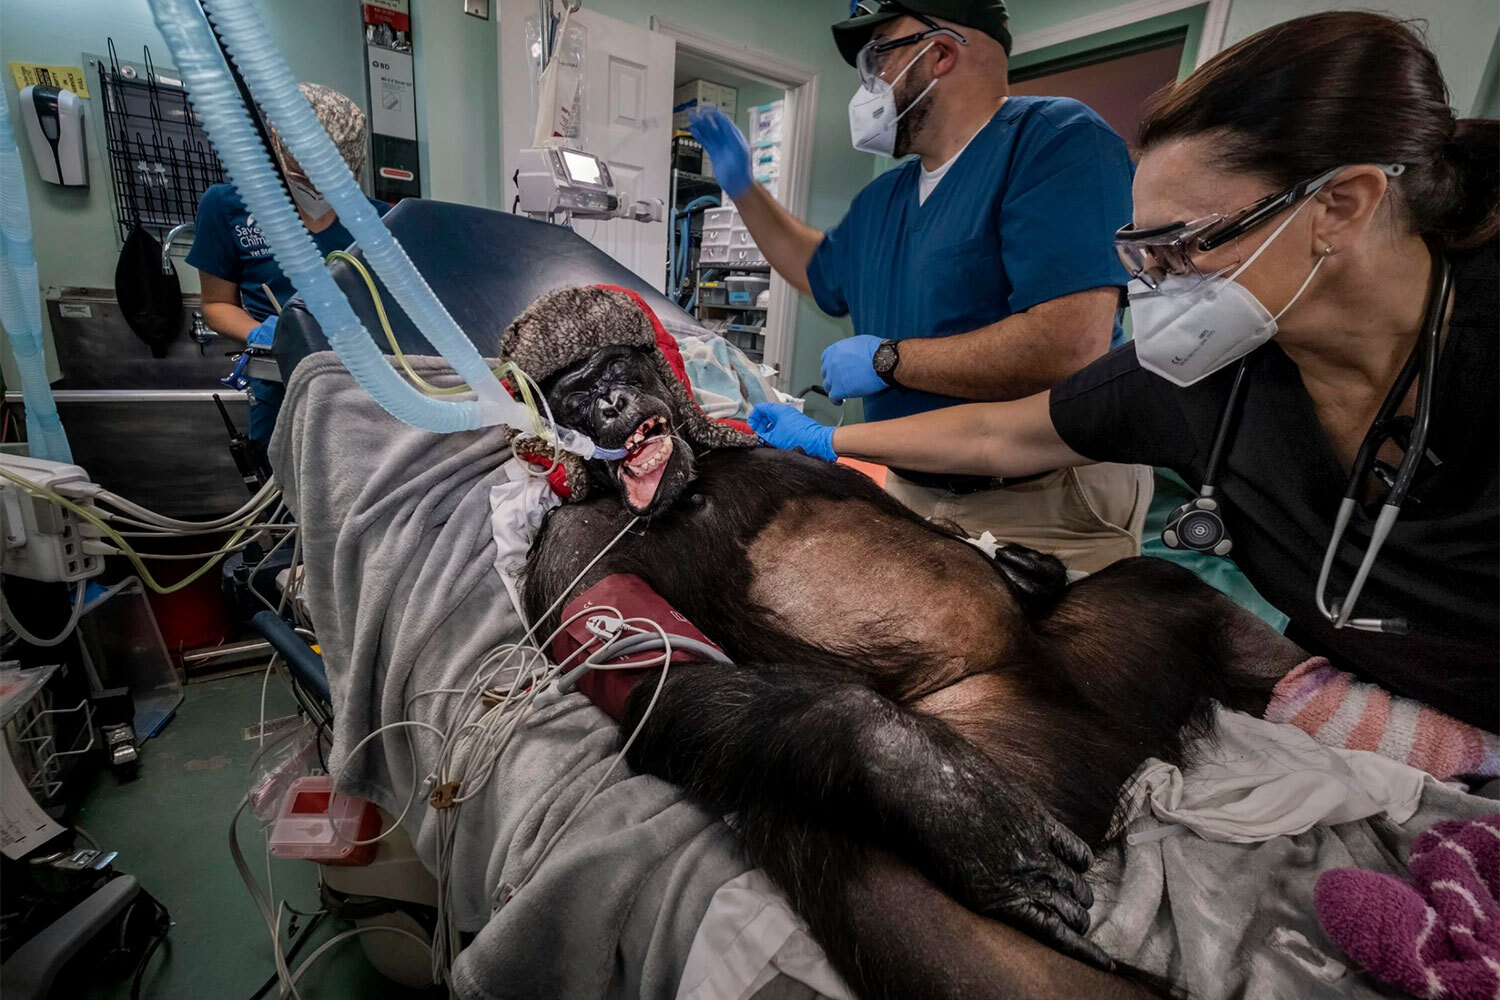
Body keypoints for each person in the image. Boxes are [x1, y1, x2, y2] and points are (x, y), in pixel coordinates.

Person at [751, 11, 1500, 731]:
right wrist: (829, 441)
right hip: (1357, 709)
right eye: (1142, 253)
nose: (1158, 286)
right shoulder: (1206, 376)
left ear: (1340, 205)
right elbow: (998, 433)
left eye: (1185, 244)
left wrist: (889, 362)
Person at [689, 0, 1148, 574]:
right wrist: (744, 189)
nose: (869, 83)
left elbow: (1066, 346)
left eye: (878, 56)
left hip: (1042, 497)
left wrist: (889, 361)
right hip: (912, 484)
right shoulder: (887, 195)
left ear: (940, 53)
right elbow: (817, 270)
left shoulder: (1055, 141)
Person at [188, 83, 388, 451]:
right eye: (305, 172)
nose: (315, 185)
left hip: (363, 391)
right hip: (281, 385)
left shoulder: (378, 220)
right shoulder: (228, 207)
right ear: (277, 147)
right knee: (283, 493)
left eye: (329, 173)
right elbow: (217, 305)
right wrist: (263, 334)